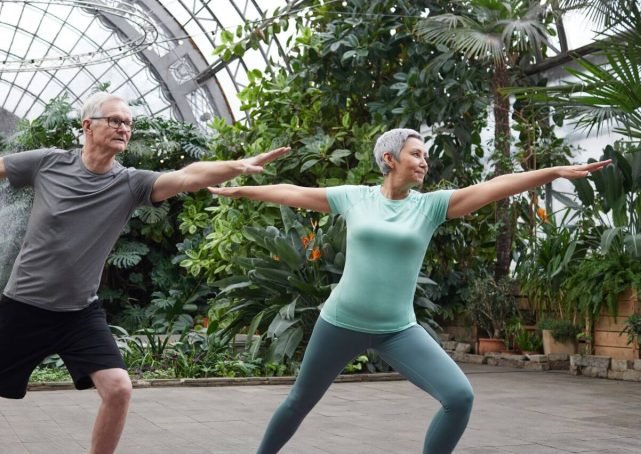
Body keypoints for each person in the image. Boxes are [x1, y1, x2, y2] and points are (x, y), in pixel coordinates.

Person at [0, 92, 290, 454]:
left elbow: (187, 176)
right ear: (87, 126)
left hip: (80, 312)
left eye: (128, 123)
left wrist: (236, 165)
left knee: (119, 388)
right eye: (115, 120)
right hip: (24, 307)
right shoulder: (48, 164)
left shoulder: (131, 184)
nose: (123, 128)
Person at [207, 128, 610, 454]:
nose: (424, 162)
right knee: (298, 401)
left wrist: (552, 171)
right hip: (340, 322)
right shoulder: (354, 198)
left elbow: (496, 185)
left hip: (397, 329)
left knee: (459, 397)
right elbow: (293, 193)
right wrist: (242, 189)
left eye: (425, 157)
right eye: (416, 154)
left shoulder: (430, 206)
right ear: (389, 159)